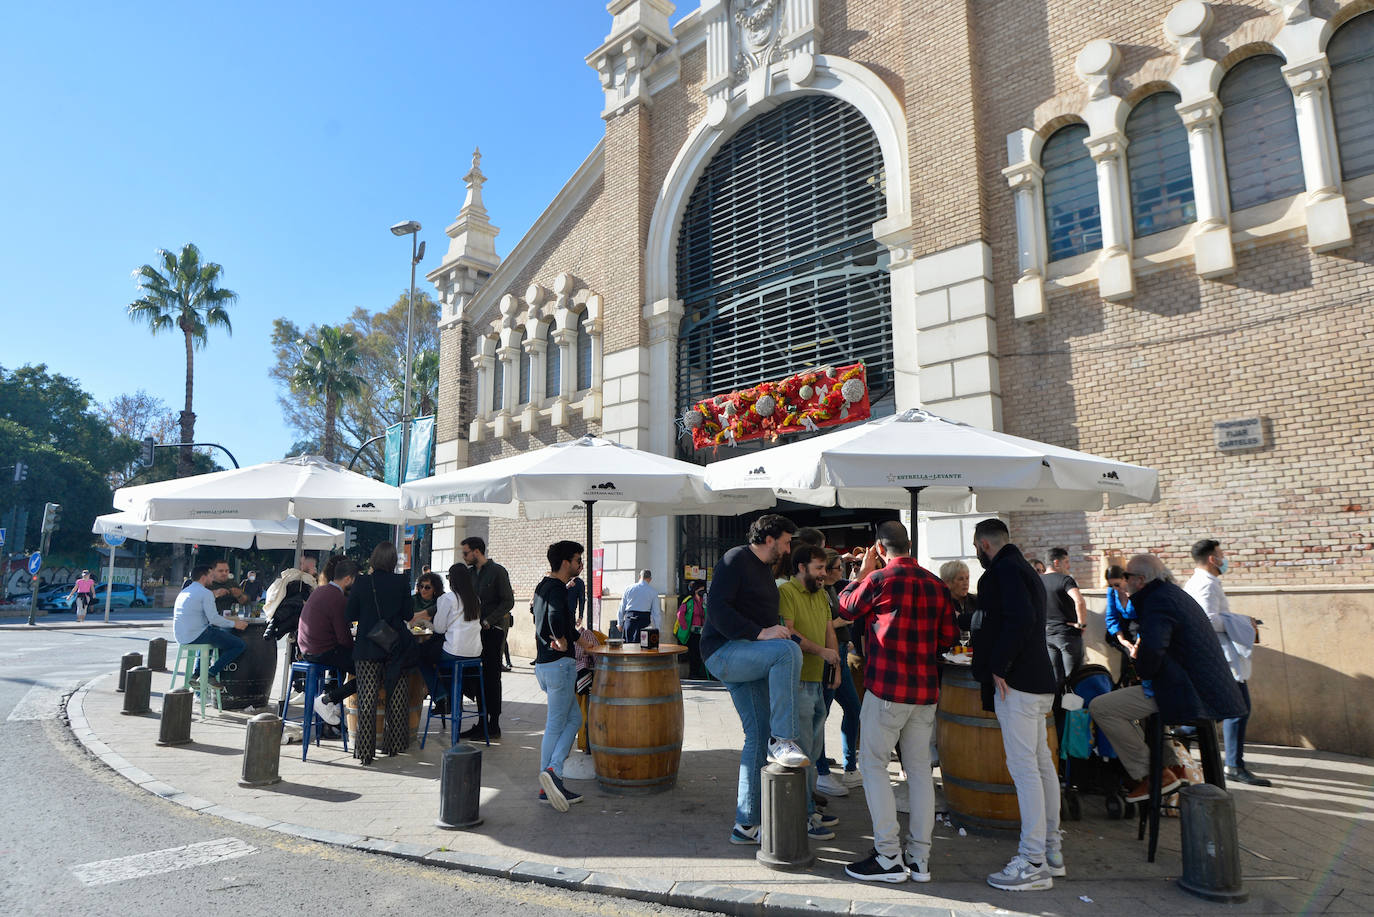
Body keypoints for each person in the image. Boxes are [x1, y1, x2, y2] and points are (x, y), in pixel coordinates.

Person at [837, 522, 958, 883]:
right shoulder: (937, 584)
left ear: (879, 546)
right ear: (908, 544)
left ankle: (888, 855)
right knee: (920, 771)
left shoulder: (878, 580)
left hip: (887, 689)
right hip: (925, 693)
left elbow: (845, 608)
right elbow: (949, 637)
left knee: (873, 766)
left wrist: (861, 572)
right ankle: (919, 859)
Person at [1090, 553, 1248, 802]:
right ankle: (1173, 767)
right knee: (1144, 717)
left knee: (1102, 707)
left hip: (1191, 691)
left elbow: (1153, 650)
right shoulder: (1168, 594)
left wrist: (1142, 671)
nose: (1124, 580)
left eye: (1128, 576)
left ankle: (1153, 774)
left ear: (1140, 580)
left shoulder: (1157, 601)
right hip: (1199, 686)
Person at [701, 513, 809, 846]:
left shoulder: (764, 569)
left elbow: (760, 617)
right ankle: (784, 740)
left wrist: (776, 629)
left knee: (756, 734)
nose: (790, 549)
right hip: (724, 653)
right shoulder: (735, 559)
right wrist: (761, 633)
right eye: (787, 542)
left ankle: (746, 825)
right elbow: (716, 609)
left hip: (746, 655)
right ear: (769, 539)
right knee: (787, 653)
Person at [972, 519, 1062, 892]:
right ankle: (1052, 853)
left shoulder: (1003, 570)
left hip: (1019, 685)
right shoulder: (1022, 566)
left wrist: (998, 665)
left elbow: (1020, 618)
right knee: (1040, 766)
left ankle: (1033, 861)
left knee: (1026, 770)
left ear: (983, 544)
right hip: (1037, 681)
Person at [1184, 539, 1269, 786]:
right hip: (1220, 657)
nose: (1224, 559)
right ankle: (1232, 764)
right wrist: (1242, 622)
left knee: (1232, 709)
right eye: (1221, 555)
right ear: (1212, 559)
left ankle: (1187, 735)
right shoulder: (1205, 585)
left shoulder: (1205, 582)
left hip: (1219, 656)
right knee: (1238, 709)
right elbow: (1207, 620)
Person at [779, 543, 842, 840]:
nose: (823, 573)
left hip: (819, 678)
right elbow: (790, 633)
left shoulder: (820, 593)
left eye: (824, 568)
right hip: (799, 679)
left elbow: (829, 629)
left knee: (815, 749)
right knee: (803, 750)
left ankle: (810, 808)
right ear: (801, 567)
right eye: (818, 568)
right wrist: (822, 652)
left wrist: (836, 663)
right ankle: (803, 814)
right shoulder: (787, 593)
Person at [347, 542, 418, 765]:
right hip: (395, 647)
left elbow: (351, 613)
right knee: (396, 697)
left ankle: (365, 751)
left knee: (367, 699)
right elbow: (408, 614)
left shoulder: (362, 582)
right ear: (393, 561)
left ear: (373, 560)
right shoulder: (401, 581)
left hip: (367, 648)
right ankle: (393, 745)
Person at [533, 539, 589, 812]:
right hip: (559, 666)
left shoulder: (543, 586)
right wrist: (562, 640)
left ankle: (550, 782)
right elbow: (556, 619)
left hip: (544, 666)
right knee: (558, 723)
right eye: (578, 560)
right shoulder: (556, 588)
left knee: (573, 718)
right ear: (566, 562)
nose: (580, 565)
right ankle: (551, 774)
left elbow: (543, 616)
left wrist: (579, 640)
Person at [816, 549, 862, 794]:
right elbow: (818, 626)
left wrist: (846, 637)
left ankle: (850, 767)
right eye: (836, 568)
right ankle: (821, 772)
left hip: (841, 653)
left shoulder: (834, 588)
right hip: (828, 658)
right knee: (820, 717)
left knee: (854, 709)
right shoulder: (820, 591)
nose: (839, 572)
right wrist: (842, 623)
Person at [417, 563, 485, 718]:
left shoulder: (448, 598)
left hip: (454, 652)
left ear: (452, 580)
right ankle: (449, 697)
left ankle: (441, 697)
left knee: (420, 656)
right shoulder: (475, 599)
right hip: (474, 654)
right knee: (435, 656)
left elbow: (439, 628)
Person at [298, 558, 360, 726]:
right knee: (368, 672)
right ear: (348, 579)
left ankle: (336, 703)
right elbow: (344, 639)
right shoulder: (337, 598)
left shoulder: (321, 590)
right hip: (321, 652)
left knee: (353, 664)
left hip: (307, 649)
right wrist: (358, 649)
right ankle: (327, 701)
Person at [172, 564, 249, 689]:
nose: (212, 579)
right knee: (239, 645)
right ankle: (211, 674)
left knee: (213, 636)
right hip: (196, 635)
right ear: (204, 577)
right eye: (211, 576)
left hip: (181, 636)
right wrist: (235, 624)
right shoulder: (205, 593)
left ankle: (196, 674)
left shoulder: (185, 591)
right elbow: (214, 619)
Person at [1041, 547, 1087, 691]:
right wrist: (1081, 624)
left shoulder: (1037, 581)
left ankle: (1057, 711)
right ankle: (1073, 713)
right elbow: (1079, 601)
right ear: (1056, 563)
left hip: (1047, 636)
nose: (1068, 566)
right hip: (1067, 635)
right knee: (1073, 679)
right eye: (1066, 562)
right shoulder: (1066, 580)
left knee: (1055, 679)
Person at [262, 555, 317, 646]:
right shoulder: (298, 583)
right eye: (314, 566)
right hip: (297, 624)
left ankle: (274, 627)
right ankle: (274, 628)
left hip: (293, 623)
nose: (315, 569)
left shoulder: (303, 582)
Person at [1104, 564, 1139, 686]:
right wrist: (1122, 640)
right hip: (1123, 628)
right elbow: (1111, 616)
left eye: (1117, 584)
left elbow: (1145, 619)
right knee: (1127, 652)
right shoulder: (1112, 592)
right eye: (1111, 585)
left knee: (1136, 655)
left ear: (1125, 579)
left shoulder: (1136, 589)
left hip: (1139, 627)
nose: (1115, 588)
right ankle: (1128, 682)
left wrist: (1138, 643)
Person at [675, 581, 708, 679]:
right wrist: (684, 627)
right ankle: (693, 673)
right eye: (701, 589)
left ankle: (700, 673)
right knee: (693, 653)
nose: (703, 591)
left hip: (702, 632)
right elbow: (680, 614)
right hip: (692, 632)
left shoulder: (704, 601)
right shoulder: (689, 601)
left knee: (700, 653)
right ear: (696, 590)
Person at [618, 569, 660, 644]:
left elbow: (621, 607)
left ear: (639, 577)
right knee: (643, 645)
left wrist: (619, 623)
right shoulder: (653, 592)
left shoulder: (629, 588)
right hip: (644, 621)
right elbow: (656, 613)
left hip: (629, 620)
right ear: (650, 579)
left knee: (628, 647)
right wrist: (657, 629)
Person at [939, 559, 977, 636]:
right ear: (947, 582)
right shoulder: (942, 604)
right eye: (961, 579)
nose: (966, 583)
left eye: (967, 578)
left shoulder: (976, 601)